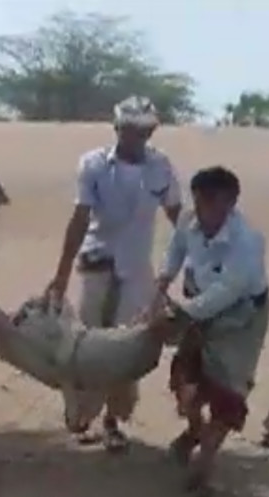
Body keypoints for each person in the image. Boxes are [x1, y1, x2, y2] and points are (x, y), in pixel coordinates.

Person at [45, 96, 184, 452]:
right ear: (117, 128)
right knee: (88, 345)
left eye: (141, 131)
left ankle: (113, 421)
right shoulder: (92, 165)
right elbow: (79, 219)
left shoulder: (161, 168)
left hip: (137, 271)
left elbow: (178, 218)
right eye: (127, 130)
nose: (134, 137)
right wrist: (61, 275)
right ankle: (82, 413)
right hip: (96, 266)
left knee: (128, 348)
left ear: (151, 130)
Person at [148, 166, 269, 497]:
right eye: (198, 201)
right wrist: (162, 283)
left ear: (230, 202)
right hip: (196, 303)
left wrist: (178, 314)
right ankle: (193, 431)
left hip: (240, 317)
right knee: (185, 381)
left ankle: (204, 463)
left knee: (228, 390)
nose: (201, 210)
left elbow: (228, 291)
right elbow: (175, 251)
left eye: (209, 202)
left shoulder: (248, 242)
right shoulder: (189, 222)